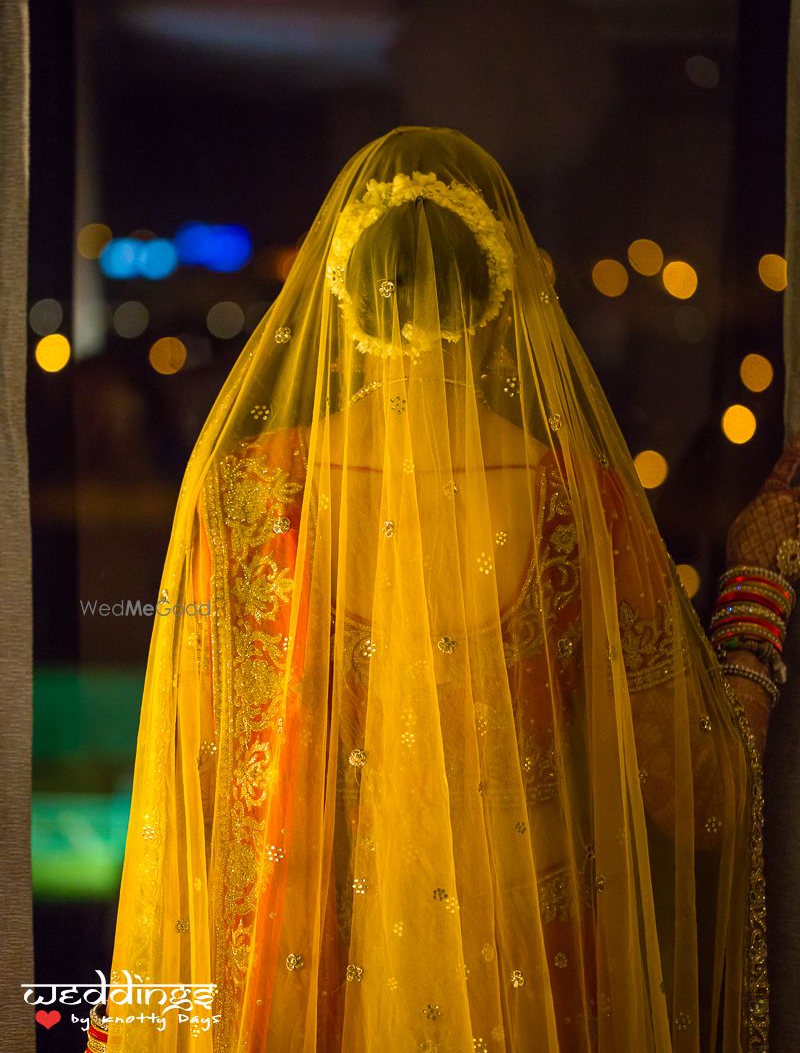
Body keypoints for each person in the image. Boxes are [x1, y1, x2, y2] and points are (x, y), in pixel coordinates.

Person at [86, 126, 793, 1052]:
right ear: (506, 297)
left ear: (339, 291)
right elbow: (700, 796)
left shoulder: (250, 497)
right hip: (528, 984)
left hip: (299, 993)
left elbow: (200, 804)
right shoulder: (575, 505)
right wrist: (757, 591)